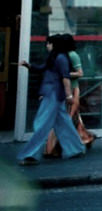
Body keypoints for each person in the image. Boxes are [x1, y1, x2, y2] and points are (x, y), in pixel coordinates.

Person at [17, 34, 86, 166]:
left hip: (52, 94)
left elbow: (65, 78)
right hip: (55, 94)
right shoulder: (57, 57)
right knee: (63, 123)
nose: (47, 45)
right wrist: (28, 66)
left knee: (41, 123)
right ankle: (76, 148)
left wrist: (69, 96)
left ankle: (30, 154)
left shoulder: (59, 58)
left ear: (54, 44)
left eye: (49, 43)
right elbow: (43, 69)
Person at [44, 36, 95, 157]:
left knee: (67, 118)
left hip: (71, 89)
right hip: (64, 90)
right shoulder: (60, 56)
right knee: (72, 118)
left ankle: (55, 148)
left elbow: (80, 73)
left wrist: (64, 74)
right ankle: (84, 139)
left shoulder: (72, 55)